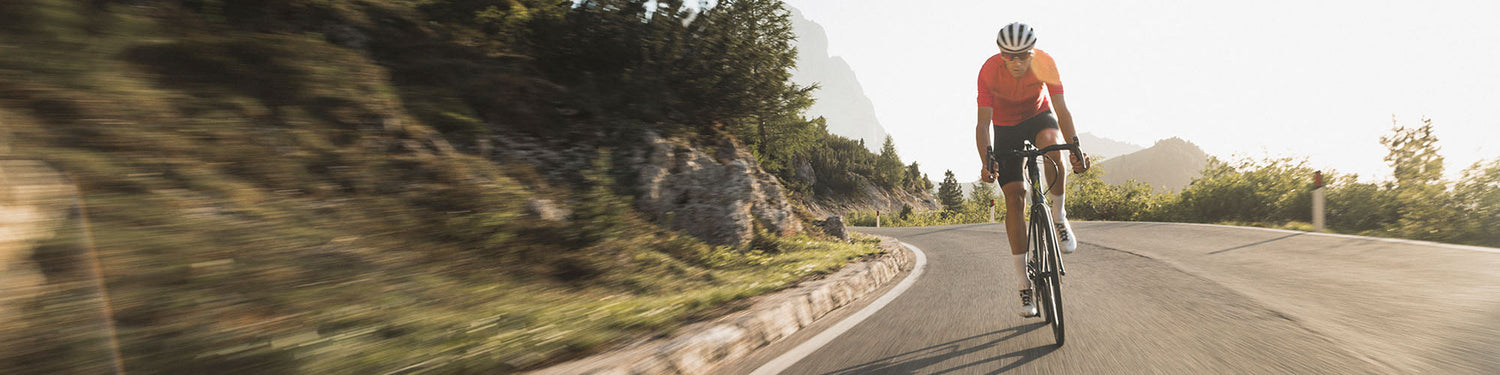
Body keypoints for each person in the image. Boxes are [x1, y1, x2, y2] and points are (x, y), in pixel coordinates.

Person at [974, 22, 1090, 317]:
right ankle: (1023, 283)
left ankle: (1059, 216)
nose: (1016, 62)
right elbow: (983, 124)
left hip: (1039, 116)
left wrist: (1075, 149)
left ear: (1032, 53)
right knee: (1015, 197)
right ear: (1001, 54)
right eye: (1008, 56)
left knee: (1052, 145)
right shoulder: (988, 71)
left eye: (1023, 56)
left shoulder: (1045, 63)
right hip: (1005, 128)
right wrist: (987, 160)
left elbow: (1062, 110)